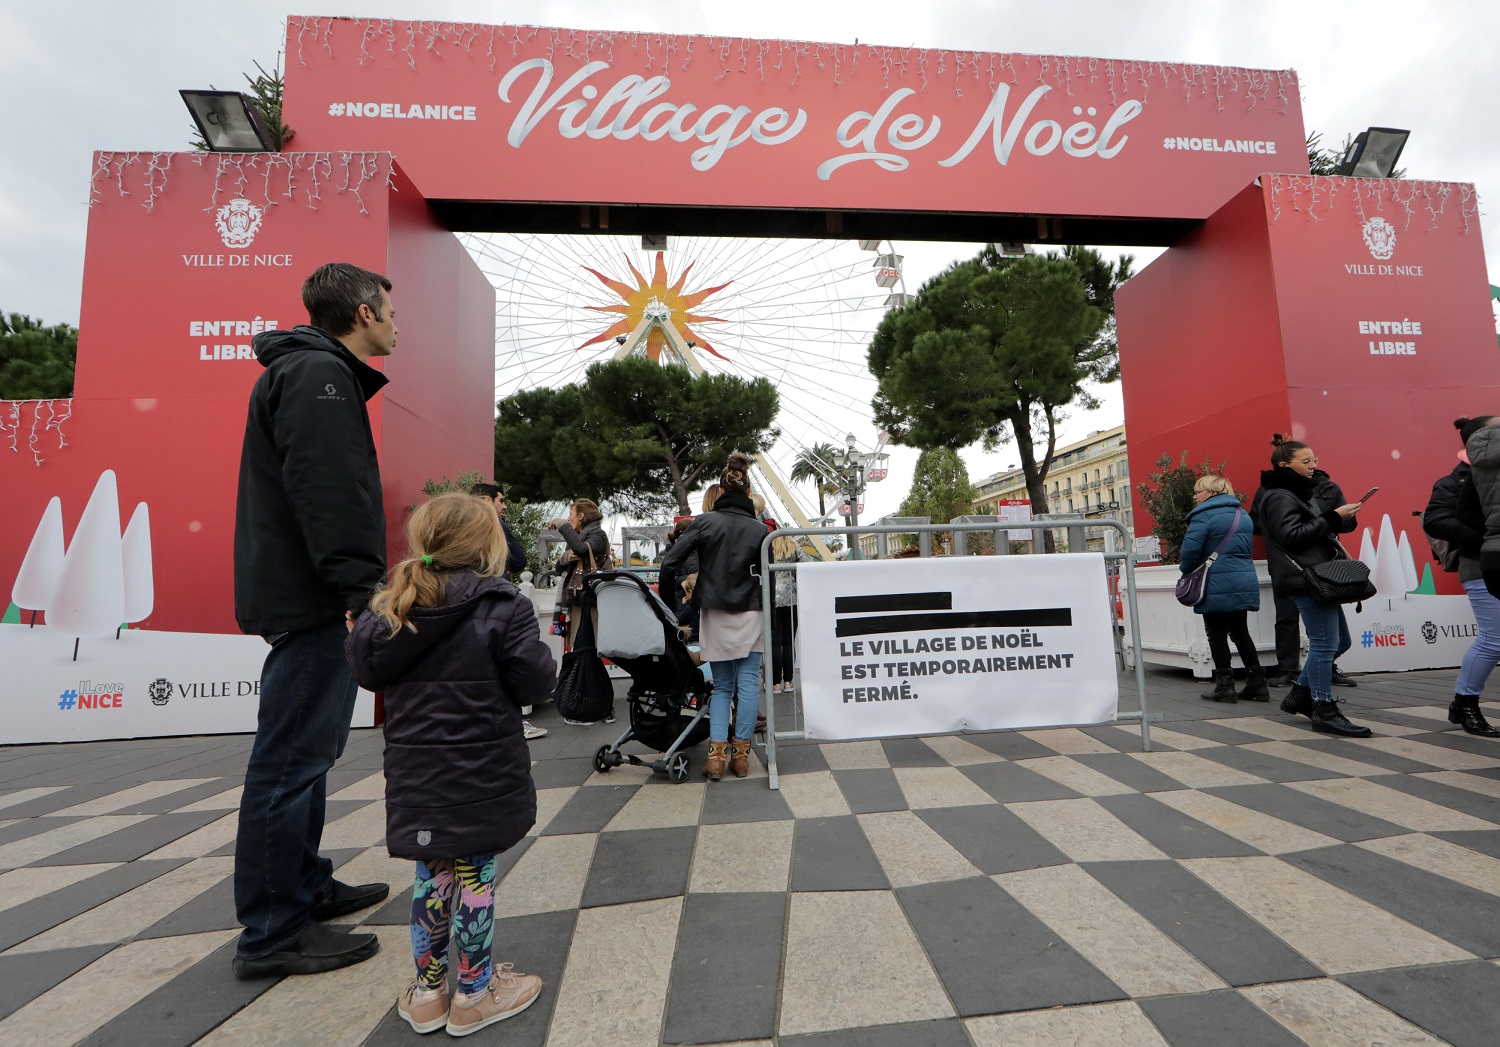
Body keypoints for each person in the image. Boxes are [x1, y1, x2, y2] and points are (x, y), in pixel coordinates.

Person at [231, 262, 395, 978]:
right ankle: (271, 929)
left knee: (311, 754)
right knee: (290, 763)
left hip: (311, 594)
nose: (396, 320)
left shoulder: (308, 374)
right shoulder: (320, 380)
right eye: (388, 308)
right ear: (362, 313)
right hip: (314, 598)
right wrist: (361, 586)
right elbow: (329, 491)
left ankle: (303, 883)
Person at [347, 493, 555, 1035]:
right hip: (483, 772)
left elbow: (366, 671)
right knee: (476, 878)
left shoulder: (393, 606)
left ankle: (427, 992)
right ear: (490, 543)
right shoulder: (504, 605)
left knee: (431, 875)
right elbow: (535, 682)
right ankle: (475, 993)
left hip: (418, 774)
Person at [1252, 434, 1372, 737]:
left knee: (1339, 642)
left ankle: (1300, 695)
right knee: (1324, 644)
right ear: (1284, 464)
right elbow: (1291, 536)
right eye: (1306, 461)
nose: (1313, 466)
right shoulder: (1280, 495)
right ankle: (1323, 708)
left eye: (1314, 460)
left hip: (1315, 575)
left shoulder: (1297, 492)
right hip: (1303, 578)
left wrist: (1336, 517)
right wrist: (1332, 517)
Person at [659, 453, 768, 780]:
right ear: (748, 493)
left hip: (714, 613)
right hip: (752, 610)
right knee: (748, 685)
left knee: (722, 687)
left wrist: (668, 606)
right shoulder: (760, 529)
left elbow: (670, 563)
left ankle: (716, 758)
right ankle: (742, 757)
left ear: (721, 491)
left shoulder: (705, 523)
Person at [1425, 416, 1500, 736]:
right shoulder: (1454, 481)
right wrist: (1486, 541)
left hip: (1488, 559)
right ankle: (1464, 703)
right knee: (1494, 639)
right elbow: (1436, 520)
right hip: (1481, 565)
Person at [1180, 475, 1268, 703]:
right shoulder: (1242, 514)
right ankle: (1257, 684)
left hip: (1215, 581)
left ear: (1210, 492)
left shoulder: (1202, 516)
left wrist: (1187, 571)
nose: (1195, 496)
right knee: (1240, 631)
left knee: (1216, 634)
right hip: (1242, 579)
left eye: (1198, 491)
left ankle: (1224, 686)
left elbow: (1189, 553)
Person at [470, 482, 546, 741]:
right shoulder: (494, 524)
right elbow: (518, 559)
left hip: (462, 600)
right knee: (500, 659)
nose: (503, 506)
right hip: (493, 597)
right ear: (486, 500)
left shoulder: (459, 524)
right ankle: (509, 720)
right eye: (500, 500)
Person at [548, 498, 614, 725]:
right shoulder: (584, 537)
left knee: (591, 651)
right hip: (580, 601)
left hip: (592, 602)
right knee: (584, 650)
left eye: (571, 515)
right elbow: (561, 565)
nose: (568, 519)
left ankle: (599, 704)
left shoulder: (598, 535)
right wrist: (564, 557)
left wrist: (560, 525)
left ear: (581, 516)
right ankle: (593, 702)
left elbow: (579, 548)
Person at [770, 532, 809, 694]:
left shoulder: (768, 548)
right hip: (792, 600)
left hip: (772, 599)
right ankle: (788, 681)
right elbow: (808, 562)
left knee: (774, 643)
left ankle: (775, 683)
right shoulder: (793, 547)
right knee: (788, 642)